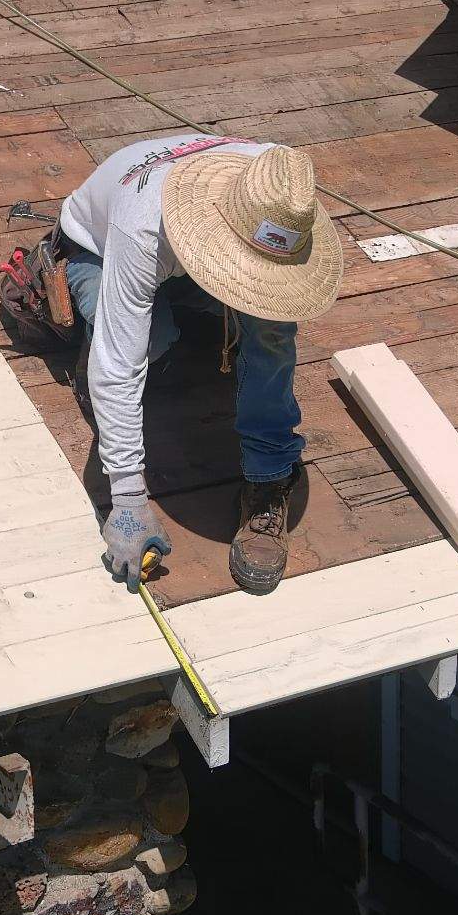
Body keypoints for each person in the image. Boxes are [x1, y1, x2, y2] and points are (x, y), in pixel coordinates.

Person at [59, 135, 346, 596]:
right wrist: (128, 497)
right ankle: (119, 321)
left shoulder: (280, 186)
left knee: (273, 327)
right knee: (146, 342)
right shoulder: (142, 225)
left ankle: (269, 477)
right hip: (101, 247)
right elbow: (118, 365)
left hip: (197, 253)